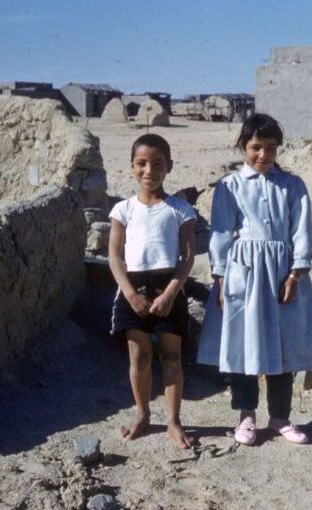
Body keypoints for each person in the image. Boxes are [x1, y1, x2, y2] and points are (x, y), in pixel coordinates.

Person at [197, 113, 312, 446]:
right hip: (245, 274)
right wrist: (222, 277)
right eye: (256, 147)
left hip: (283, 274)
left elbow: (301, 230)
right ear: (243, 145)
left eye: (271, 148)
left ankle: (280, 417)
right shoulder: (230, 186)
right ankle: (246, 416)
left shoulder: (293, 185)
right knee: (245, 345)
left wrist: (296, 273)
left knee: (283, 345)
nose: (263, 156)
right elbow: (221, 233)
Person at [108, 133, 197, 448]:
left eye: (157, 164)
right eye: (142, 164)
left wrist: (171, 292)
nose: (149, 171)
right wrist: (130, 294)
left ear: (169, 166)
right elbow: (115, 257)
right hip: (132, 289)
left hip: (168, 286)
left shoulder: (180, 209)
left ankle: (173, 421)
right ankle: (143, 413)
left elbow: (187, 257)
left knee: (171, 356)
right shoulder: (123, 210)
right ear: (132, 166)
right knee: (140, 356)